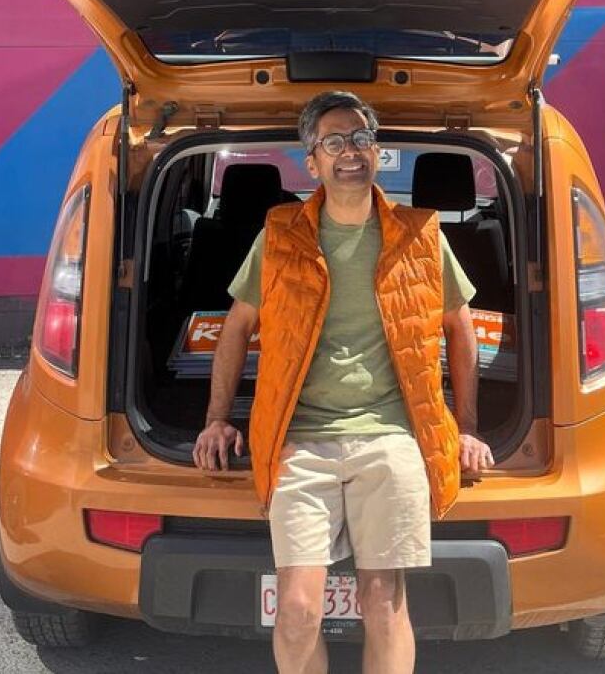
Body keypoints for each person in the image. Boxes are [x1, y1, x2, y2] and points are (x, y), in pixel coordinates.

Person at [193, 90, 494, 674]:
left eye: (359, 138)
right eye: (333, 142)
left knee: (384, 602)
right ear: (312, 161)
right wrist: (215, 418)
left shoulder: (421, 234)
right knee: (300, 608)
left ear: (376, 151)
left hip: (392, 436)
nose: (349, 151)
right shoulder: (280, 237)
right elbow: (235, 330)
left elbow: (461, 329)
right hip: (300, 440)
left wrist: (466, 428)